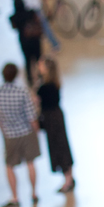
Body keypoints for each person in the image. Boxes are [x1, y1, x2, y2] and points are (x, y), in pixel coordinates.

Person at [0, 62, 40, 207]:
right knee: (30, 163)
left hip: (9, 135)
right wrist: (36, 131)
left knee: (10, 166)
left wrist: (4, 132)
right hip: (26, 132)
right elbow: (31, 116)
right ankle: (33, 193)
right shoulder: (22, 92)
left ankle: (15, 197)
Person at [36, 57, 74, 193]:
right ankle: (69, 177)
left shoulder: (46, 87)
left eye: (41, 65)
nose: (38, 67)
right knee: (62, 144)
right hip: (55, 116)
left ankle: (68, 180)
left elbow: (39, 102)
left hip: (51, 119)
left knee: (59, 147)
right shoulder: (53, 83)